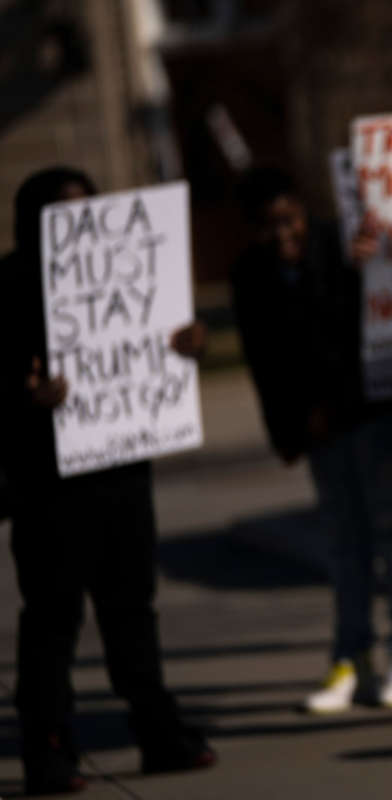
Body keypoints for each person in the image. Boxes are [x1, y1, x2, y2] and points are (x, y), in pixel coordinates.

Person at [0, 167, 215, 795]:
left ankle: (159, 733)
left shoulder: (127, 263)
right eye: (65, 216)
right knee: (51, 621)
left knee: (131, 614)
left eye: (88, 211)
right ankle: (47, 751)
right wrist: (28, 396)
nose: (81, 227)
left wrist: (188, 344)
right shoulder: (9, 285)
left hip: (121, 472)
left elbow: (160, 339)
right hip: (47, 485)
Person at [230, 167, 392, 713]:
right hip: (319, 430)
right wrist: (287, 433)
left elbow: (368, 323)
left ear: (304, 212)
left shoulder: (344, 250)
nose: (283, 236)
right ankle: (352, 655)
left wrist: (358, 268)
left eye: (290, 221)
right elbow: (262, 361)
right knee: (345, 543)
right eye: (269, 227)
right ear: (253, 230)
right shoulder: (251, 273)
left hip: (369, 411)